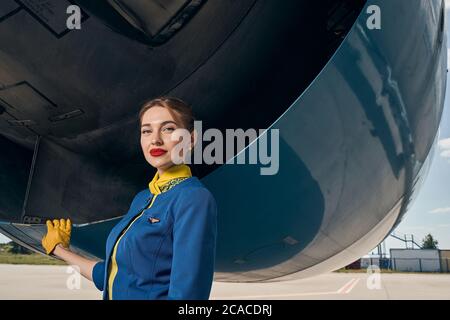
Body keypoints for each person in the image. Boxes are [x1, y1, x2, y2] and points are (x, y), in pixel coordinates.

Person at [41, 97, 218, 300]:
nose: (155, 139)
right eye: (146, 131)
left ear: (191, 139)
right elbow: (110, 275)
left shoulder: (193, 198)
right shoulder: (143, 198)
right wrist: (59, 250)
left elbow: (188, 297)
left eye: (168, 129)